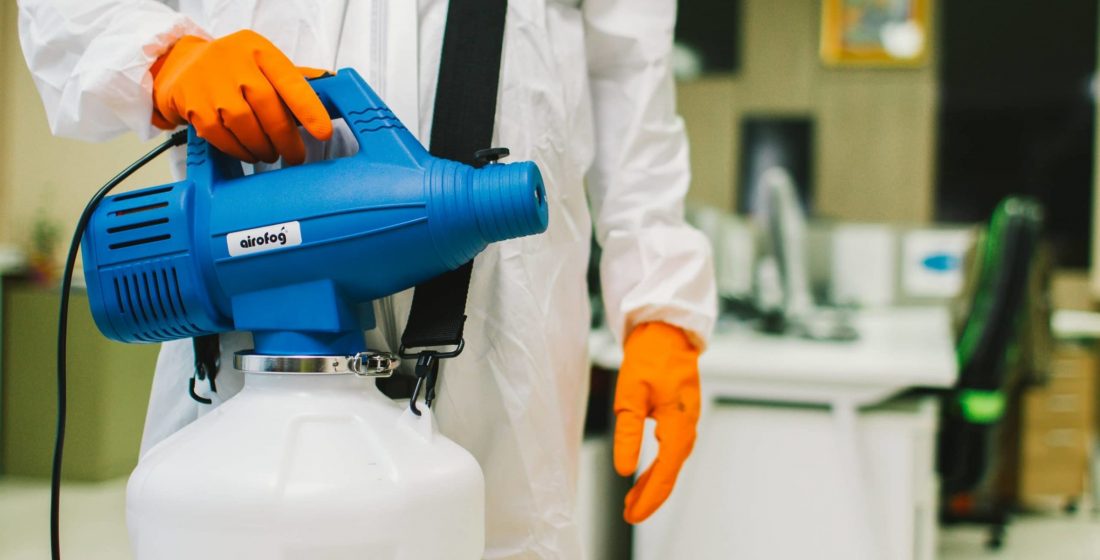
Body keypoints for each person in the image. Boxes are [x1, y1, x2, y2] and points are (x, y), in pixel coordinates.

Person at [19, 1, 717, 557]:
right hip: (238, 351)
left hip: (502, 362)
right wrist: (168, 58)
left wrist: (660, 304)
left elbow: (631, 72)